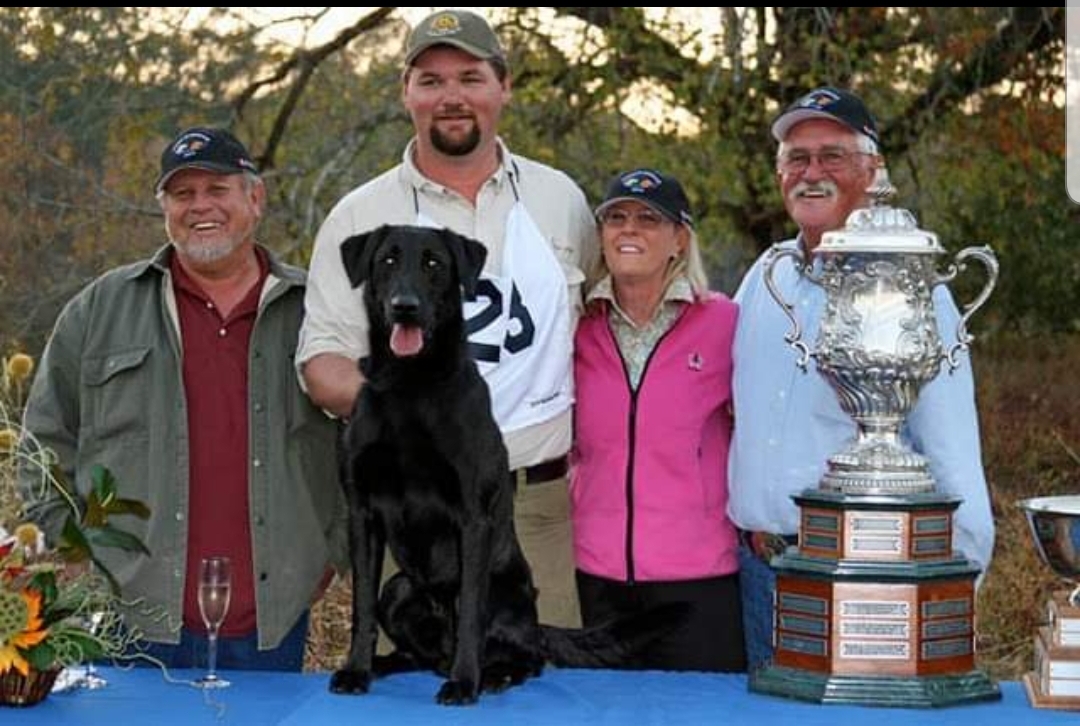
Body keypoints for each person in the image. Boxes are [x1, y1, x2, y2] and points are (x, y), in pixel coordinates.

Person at [296, 9, 598, 628]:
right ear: (405, 92)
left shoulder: (560, 201)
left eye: (470, 76)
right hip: (412, 508)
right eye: (430, 80)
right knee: (407, 704)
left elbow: (597, 328)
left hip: (535, 511)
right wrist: (421, 419)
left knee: (543, 701)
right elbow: (322, 364)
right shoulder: (361, 216)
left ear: (504, 87)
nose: (451, 97)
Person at [20, 126, 346, 671]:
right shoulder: (101, 309)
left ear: (255, 199)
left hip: (273, 618)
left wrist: (334, 550)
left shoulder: (317, 309)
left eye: (217, 189)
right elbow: (42, 443)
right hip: (132, 616)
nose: (200, 207)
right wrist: (75, 546)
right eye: (182, 194)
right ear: (164, 207)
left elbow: (365, 443)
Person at [727, 86, 996, 671]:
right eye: (796, 158)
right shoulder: (763, 277)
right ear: (779, 175)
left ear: (872, 170)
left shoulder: (914, 289)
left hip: (864, 583)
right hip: (755, 573)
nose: (811, 173)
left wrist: (954, 595)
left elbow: (952, 452)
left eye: (833, 156)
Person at [570, 169, 745, 671]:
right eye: (617, 218)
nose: (630, 230)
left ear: (679, 239)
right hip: (595, 577)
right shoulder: (576, 326)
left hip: (698, 581)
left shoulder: (725, 322)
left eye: (649, 219)